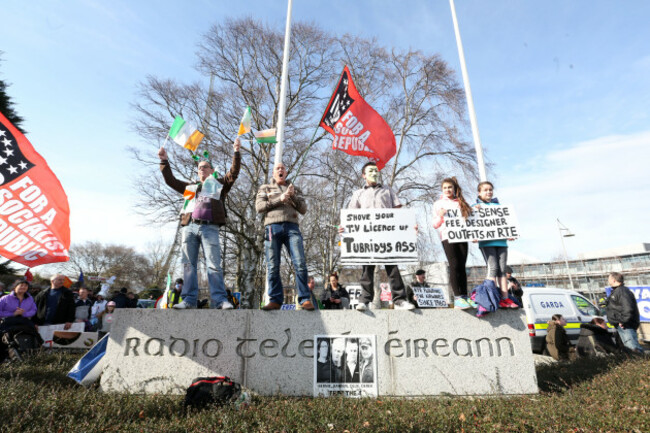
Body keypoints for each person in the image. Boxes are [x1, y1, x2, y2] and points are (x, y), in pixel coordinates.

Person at [158, 138, 241, 310]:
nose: (201, 169)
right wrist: (164, 161)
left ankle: (219, 300)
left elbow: (233, 173)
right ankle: (188, 300)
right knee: (188, 264)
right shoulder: (191, 187)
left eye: (205, 166)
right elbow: (170, 181)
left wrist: (236, 153)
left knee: (213, 264)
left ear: (211, 170)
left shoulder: (219, 185)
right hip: (189, 227)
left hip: (209, 227)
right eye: (199, 167)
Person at [346, 162, 415, 311]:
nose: (374, 173)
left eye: (376, 170)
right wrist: (345, 229)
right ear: (363, 175)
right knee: (366, 269)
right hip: (366, 238)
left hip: (387, 236)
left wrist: (408, 227)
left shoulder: (388, 191)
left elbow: (398, 211)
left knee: (392, 268)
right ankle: (364, 300)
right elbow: (350, 216)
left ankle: (399, 300)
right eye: (370, 171)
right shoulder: (357, 194)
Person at [256, 162, 314, 311]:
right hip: (272, 227)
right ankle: (275, 299)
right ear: (273, 173)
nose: (280, 170)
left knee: (300, 262)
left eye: (283, 168)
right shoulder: (265, 188)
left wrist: (292, 196)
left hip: (292, 227)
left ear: (286, 172)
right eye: (277, 168)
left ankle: (304, 298)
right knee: (272, 265)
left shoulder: (294, 189)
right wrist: (279, 199)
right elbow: (259, 207)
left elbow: (303, 209)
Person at [474, 181, 519, 309]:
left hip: (501, 241)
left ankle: (505, 298)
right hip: (487, 242)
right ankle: (492, 295)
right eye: (485, 190)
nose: (488, 192)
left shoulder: (499, 207)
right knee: (492, 267)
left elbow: (507, 222)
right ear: (479, 192)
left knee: (502, 269)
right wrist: (475, 211)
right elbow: (470, 222)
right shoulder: (476, 206)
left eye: (490, 189)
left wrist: (511, 232)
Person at [432, 177, 474, 309]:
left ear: (454, 188)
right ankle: (457, 298)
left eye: (449, 187)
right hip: (448, 237)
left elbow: (471, 219)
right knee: (454, 265)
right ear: (442, 189)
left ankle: (464, 296)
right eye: (445, 188)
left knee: (462, 266)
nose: (447, 190)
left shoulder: (461, 202)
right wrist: (440, 216)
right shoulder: (438, 204)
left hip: (462, 236)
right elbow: (435, 224)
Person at [605, 272, 644, 353]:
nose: (608, 280)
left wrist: (623, 321)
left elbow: (628, 308)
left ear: (613, 280)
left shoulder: (622, 291)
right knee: (627, 349)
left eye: (609, 278)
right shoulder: (617, 291)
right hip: (621, 324)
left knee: (633, 348)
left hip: (625, 325)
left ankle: (641, 363)